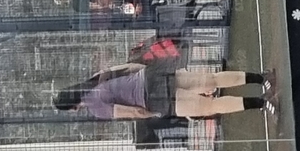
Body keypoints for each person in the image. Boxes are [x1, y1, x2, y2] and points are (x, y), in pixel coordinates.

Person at [54, 61, 279, 118]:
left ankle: (262, 103)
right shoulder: (93, 79)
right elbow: (126, 68)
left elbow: (131, 111)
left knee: (210, 106)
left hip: (154, 99)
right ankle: (262, 78)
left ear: (73, 108)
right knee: (211, 80)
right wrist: (146, 71)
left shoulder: (96, 108)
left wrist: (151, 113)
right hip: (151, 76)